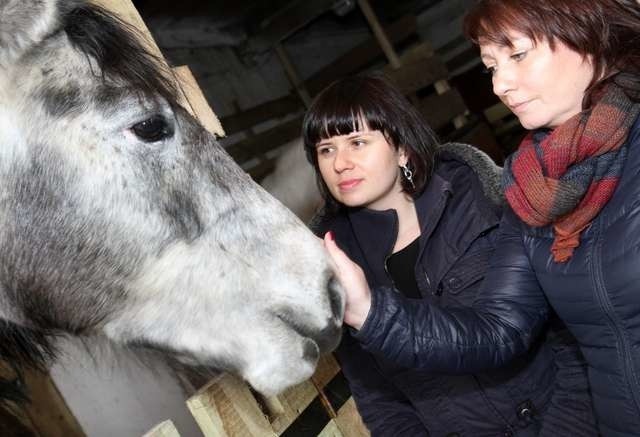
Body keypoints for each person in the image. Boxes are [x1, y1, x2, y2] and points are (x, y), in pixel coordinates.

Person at [321, 1, 640, 436]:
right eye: (491, 67)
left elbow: (560, 351)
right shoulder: (529, 188)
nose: (500, 85)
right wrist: (369, 311)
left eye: (518, 54)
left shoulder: (476, 197)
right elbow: (500, 329)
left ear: (585, 33)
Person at [303, 73, 596, 436]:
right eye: (325, 149)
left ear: (401, 147)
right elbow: (380, 400)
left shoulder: (482, 201)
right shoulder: (334, 261)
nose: (340, 163)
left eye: (357, 142)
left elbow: (567, 330)